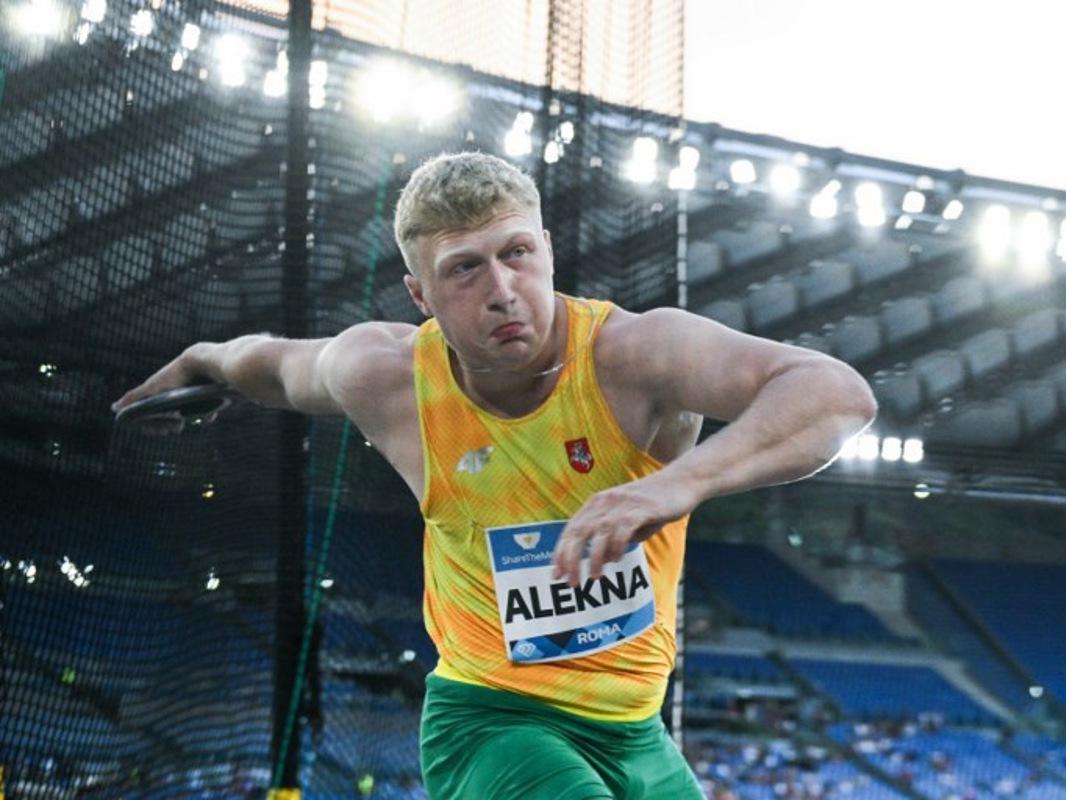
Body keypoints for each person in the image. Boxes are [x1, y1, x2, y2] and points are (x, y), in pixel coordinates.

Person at [112, 152, 877, 799]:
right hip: (492, 722)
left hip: (636, 730)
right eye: (464, 269)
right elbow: (277, 366)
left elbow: (837, 395)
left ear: (547, 249)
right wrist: (204, 361)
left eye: (516, 254)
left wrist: (676, 483)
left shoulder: (638, 356)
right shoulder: (388, 376)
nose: (502, 290)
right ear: (421, 294)